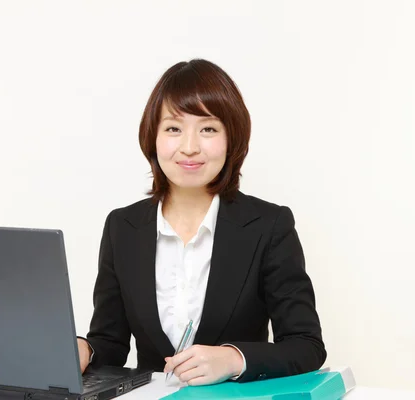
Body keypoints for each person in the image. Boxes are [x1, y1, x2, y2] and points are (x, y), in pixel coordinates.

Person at [76, 59, 327, 385]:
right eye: (173, 129)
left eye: (208, 129)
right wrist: (84, 350)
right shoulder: (122, 227)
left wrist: (234, 359)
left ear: (231, 138)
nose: (190, 147)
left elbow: (306, 345)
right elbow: (109, 343)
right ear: (153, 137)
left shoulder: (269, 225)